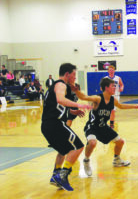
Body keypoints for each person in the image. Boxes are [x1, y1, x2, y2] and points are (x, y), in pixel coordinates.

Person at [71, 78, 138, 176]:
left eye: (115, 86)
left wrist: (135, 106)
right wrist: (76, 90)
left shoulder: (112, 100)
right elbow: (84, 97)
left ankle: (117, 159)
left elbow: (121, 106)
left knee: (120, 142)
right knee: (92, 143)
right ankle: (86, 161)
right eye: (112, 86)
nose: (115, 88)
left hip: (103, 127)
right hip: (92, 126)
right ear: (106, 88)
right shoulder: (98, 98)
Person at [41, 63, 92, 191]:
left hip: (48, 125)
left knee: (63, 151)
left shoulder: (55, 86)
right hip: (55, 124)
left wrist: (73, 112)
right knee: (78, 146)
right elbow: (60, 100)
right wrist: (79, 105)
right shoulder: (61, 84)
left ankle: (55, 175)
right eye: (74, 75)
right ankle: (62, 175)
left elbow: (56, 107)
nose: (75, 78)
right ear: (67, 74)